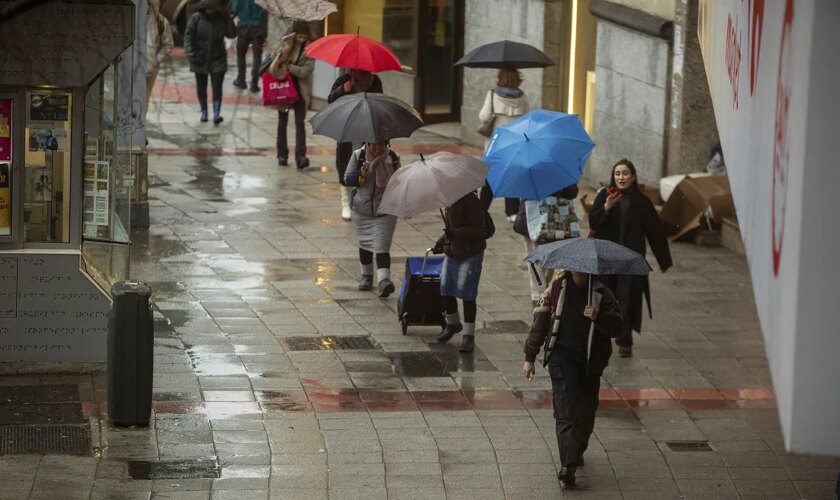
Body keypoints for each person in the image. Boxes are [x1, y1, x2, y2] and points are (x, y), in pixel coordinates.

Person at [523, 271, 623, 488]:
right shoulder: (555, 289)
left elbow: (617, 327)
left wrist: (599, 317)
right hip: (561, 357)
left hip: (590, 362)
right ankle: (568, 465)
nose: (578, 271)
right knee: (566, 410)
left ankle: (576, 449)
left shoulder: (600, 291)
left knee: (586, 411)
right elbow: (539, 321)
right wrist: (530, 357)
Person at [588, 159, 672, 357]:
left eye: (625, 173)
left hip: (630, 261)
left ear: (633, 177)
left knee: (627, 299)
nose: (621, 177)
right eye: (617, 174)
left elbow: (655, 231)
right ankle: (603, 335)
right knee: (607, 298)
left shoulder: (642, 202)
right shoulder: (605, 196)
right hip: (608, 259)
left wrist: (664, 260)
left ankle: (625, 339)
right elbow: (593, 222)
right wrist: (606, 208)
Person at [433, 191, 487, 353]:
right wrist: (441, 242)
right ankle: (453, 323)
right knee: (445, 289)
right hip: (453, 251)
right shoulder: (450, 199)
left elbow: (480, 231)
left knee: (467, 294)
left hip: (471, 252)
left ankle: (468, 335)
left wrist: (455, 234)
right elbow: (450, 229)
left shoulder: (470, 200)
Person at [343, 142, 400, 298]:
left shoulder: (393, 158)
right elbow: (347, 179)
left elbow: (400, 182)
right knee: (365, 243)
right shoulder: (358, 156)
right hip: (362, 209)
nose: (377, 148)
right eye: (373, 144)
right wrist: (359, 174)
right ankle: (366, 276)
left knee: (382, 245)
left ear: (387, 143)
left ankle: (384, 281)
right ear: (367, 143)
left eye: (381, 144)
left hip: (385, 210)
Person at [329, 69, 384, 220]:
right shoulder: (344, 80)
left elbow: (380, 102)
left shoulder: (375, 81)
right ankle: (346, 202)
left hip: (368, 127)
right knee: (345, 162)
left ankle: (363, 199)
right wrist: (342, 90)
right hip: (347, 128)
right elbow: (331, 100)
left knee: (366, 162)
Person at [478, 65, 530, 221]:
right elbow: (528, 118)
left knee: (491, 176)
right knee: (512, 175)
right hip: (516, 142)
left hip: (496, 142)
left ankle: (482, 208)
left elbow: (484, 116)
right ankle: (512, 212)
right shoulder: (522, 97)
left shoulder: (493, 94)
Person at [514, 184, 580, 304]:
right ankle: (539, 296)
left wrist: (560, 186)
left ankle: (544, 293)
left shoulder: (559, 169)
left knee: (550, 260)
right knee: (535, 260)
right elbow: (522, 190)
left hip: (555, 221)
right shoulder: (530, 168)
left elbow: (572, 193)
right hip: (532, 218)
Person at [269, 21, 314, 169]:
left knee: (300, 124)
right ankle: (282, 154)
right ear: (295, 35)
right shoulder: (286, 42)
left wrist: (289, 67)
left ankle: (301, 156)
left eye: (304, 37)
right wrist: (282, 51)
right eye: (299, 37)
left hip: (301, 91)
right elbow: (275, 57)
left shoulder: (311, 48)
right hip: (284, 89)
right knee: (282, 123)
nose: (301, 40)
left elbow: (305, 71)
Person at [184, 0, 236, 124]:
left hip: (218, 58)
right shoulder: (196, 18)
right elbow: (188, 38)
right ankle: (204, 112)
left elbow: (232, 34)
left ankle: (217, 113)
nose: (212, 10)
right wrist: (192, 55)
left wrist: (228, 17)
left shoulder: (222, 17)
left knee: (217, 86)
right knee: (201, 87)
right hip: (199, 58)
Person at [229, 0, 266, 92]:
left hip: (243, 27)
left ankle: (241, 79)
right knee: (257, 56)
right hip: (259, 27)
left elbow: (233, 10)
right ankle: (254, 83)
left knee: (241, 55)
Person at [146, 0, 174, 106]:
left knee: (144, 101)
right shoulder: (131, 18)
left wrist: (156, 59)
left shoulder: (160, 21)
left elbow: (168, 45)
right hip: (131, 69)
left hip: (150, 70)